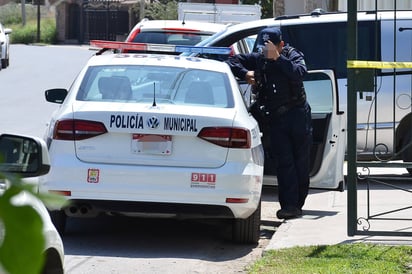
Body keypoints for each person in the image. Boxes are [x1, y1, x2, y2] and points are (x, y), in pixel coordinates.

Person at [225, 27, 312, 220]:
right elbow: (230, 61)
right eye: (263, 47)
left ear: (281, 44)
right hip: (276, 118)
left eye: (270, 47)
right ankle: (289, 206)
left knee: (301, 162)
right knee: (285, 162)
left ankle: (298, 203)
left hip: (297, 115)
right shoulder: (259, 58)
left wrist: (278, 59)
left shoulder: (292, 55)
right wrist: (244, 73)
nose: (266, 51)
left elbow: (300, 72)